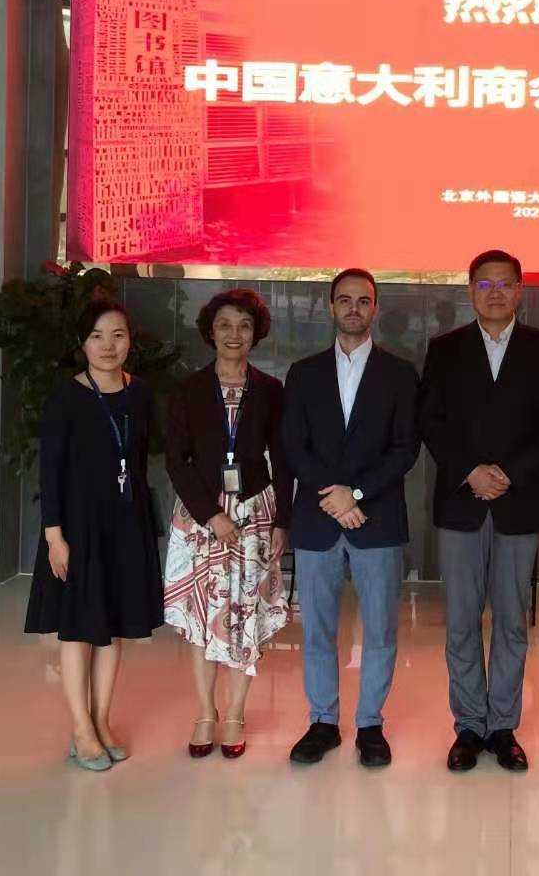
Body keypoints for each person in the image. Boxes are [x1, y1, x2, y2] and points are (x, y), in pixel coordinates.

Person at [419, 250, 539, 773]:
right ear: (471, 291)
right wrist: (470, 471)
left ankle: (503, 726)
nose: (496, 293)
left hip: (517, 502)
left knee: (510, 621)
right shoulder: (444, 349)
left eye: (506, 284)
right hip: (460, 502)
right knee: (461, 622)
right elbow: (430, 420)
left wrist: (508, 474)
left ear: (520, 290)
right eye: (485, 285)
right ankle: (468, 725)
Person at [282, 269, 421, 769]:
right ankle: (323, 721)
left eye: (364, 300)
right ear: (330, 307)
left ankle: (370, 724)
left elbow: (405, 448)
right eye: (345, 300)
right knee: (317, 629)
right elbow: (293, 443)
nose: (354, 308)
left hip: (376, 518)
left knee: (380, 629)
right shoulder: (303, 373)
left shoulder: (400, 374)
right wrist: (334, 495)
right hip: (318, 519)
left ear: (375, 308)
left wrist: (355, 493)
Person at [24, 299, 164, 772]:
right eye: (97, 336)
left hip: (125, 523)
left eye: (118, 335)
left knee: (112, 629)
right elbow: (51, 472)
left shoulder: (140, 394)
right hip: (77, 528)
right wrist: (54, 537)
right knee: (78, 629)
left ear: (130, 341)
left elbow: (138, 461)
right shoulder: (65, 397)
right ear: (82, 343)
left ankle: (101, 720)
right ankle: (81, 728)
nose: (108, 345)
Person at [163, 289, 291, 760]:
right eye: (224, 325)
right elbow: (175, 460)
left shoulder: (271, 390)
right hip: (200, 518)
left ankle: (235, 712)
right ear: (210, 332)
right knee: (202, 615)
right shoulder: (189, 389)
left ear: (256, 333)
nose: (234, 334)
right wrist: (211, 514)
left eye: (244, 325)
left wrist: (283, 520)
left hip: (256, 516)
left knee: (245, 613)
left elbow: (283, 459)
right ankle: (205, 711)